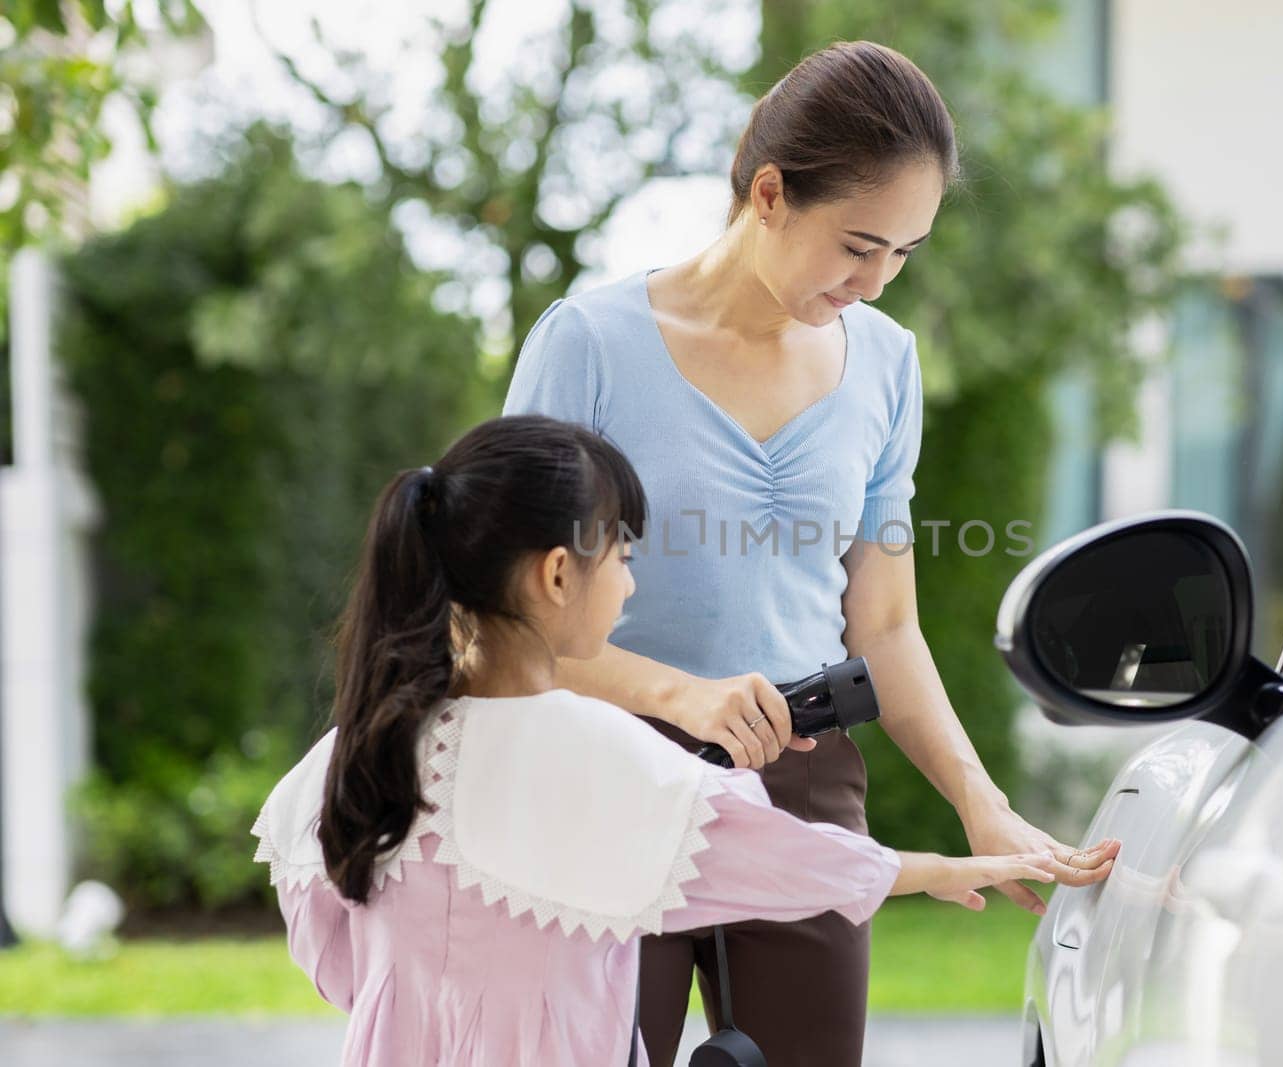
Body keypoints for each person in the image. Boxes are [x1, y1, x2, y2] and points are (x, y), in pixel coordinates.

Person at [503, 39, 1112, 1066]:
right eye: (858, 244)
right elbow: (499, 619)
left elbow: (883, 625)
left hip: (801, 777)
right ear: (772, 194)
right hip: (601, 777)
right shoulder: (589, 346)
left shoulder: (886, 365)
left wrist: (979, 797)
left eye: (904, 254)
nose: (874, 283)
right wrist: (681, 696)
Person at [251, 415, 1119, 1067]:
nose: (632, 582)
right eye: (624, 555)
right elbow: (784, 862)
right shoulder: (602, 754)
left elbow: (329, 946)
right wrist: (950, 867)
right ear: (559, 573)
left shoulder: (354, 749)